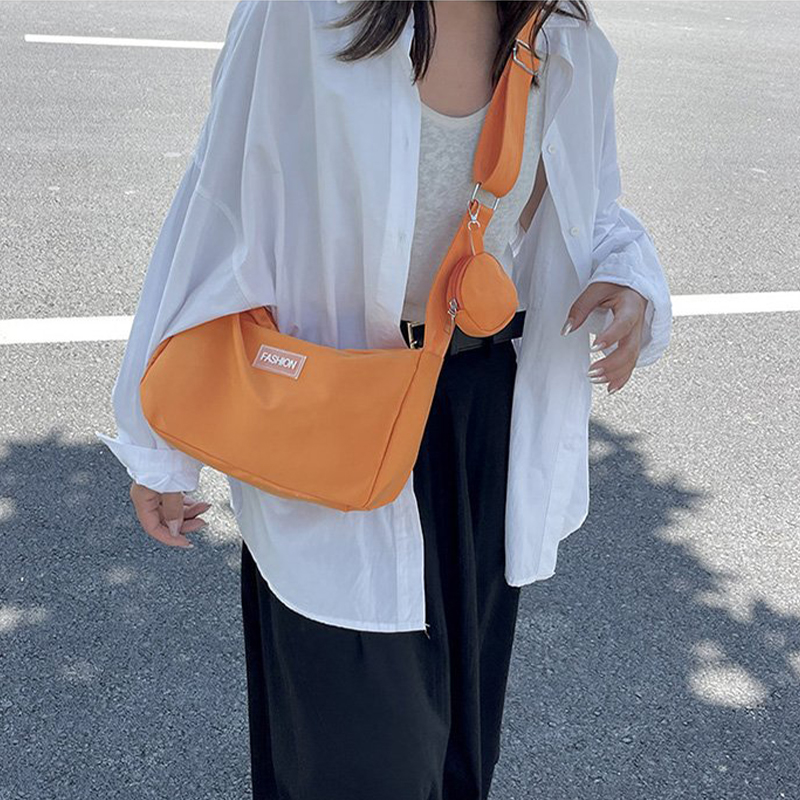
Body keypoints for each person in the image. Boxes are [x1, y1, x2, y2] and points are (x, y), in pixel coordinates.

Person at [95, 1, 673, 798]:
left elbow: (587, 200)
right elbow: (218, 205)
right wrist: (159, 446)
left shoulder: (559, 34)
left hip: (478, 425)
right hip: (327, 414)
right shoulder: (304, 15)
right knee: (360, 762)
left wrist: (625, 275)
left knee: (458, 757)